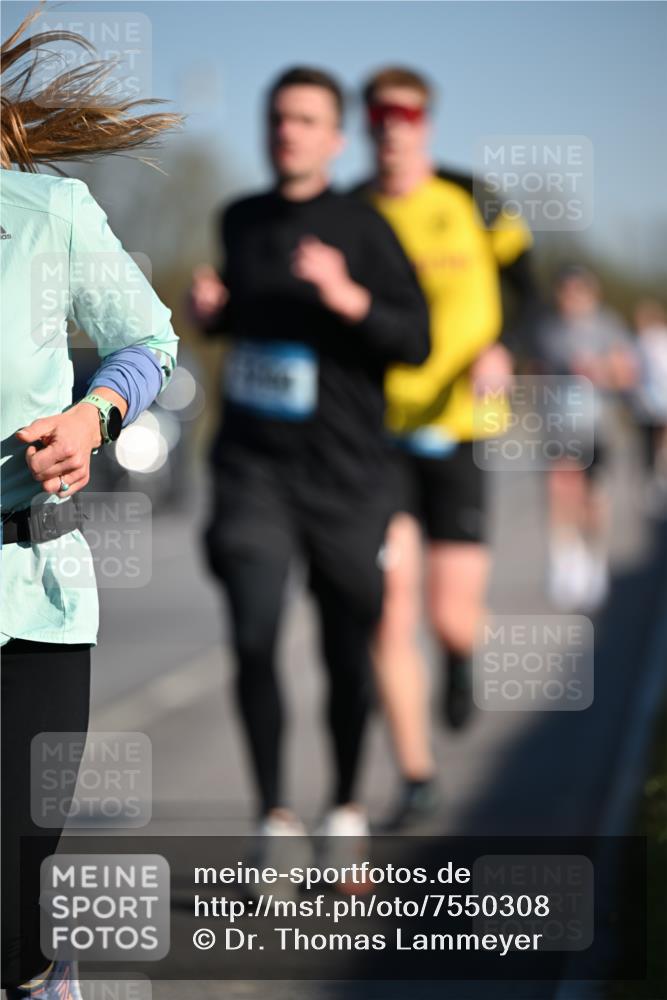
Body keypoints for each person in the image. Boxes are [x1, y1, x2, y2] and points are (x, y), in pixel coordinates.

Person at [189, 67, 429, 849]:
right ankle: (272, 819)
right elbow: (245, 322)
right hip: (252, 469)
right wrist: (212, 316)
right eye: (277, 117)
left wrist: (346, 294)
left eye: (304, 119)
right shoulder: (240, 219)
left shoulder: (364, 229)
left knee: (344, 646)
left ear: (334, 136)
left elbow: (413, 339)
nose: (286, 131)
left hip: (346, 477)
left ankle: (346, 808)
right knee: (254, 634)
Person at [0, 9, 181, 997]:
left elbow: (148, 343)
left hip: (32, 591)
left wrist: (94, 415)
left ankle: (41, 972)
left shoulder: (47, 212)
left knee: (10, 894)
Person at [353, 66, 537, 831]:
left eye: (408, 113)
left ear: (426, 121)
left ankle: (460, 657)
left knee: (450, 613)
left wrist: (503, 347)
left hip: (460, 428)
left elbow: (525, 281)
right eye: (380, 114)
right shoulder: (352, 210)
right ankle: (417, 775)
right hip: (379, 433)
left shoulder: (472, 196)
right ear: (366, 125)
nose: (394, 126)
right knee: (386, 610)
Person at [536, 265, 638, 612]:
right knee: (560, 490)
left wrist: (600, 370)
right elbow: (538, 375)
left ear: (591, 295)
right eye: (565, 292)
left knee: (593, 499)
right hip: (560, 425)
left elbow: (627, 376)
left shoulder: (609, 327)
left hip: (599, 425)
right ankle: (566, 563)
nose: (570, 299)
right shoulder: (548, 330)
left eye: (578, 292)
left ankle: (595, 563)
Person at [632, 299, 667, 508]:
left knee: (654, 442)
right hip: (650, 400)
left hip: (653, 399)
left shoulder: (649, 340)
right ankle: (655, 479)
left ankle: (656, 478)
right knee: (654, 441)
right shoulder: (643, 340)